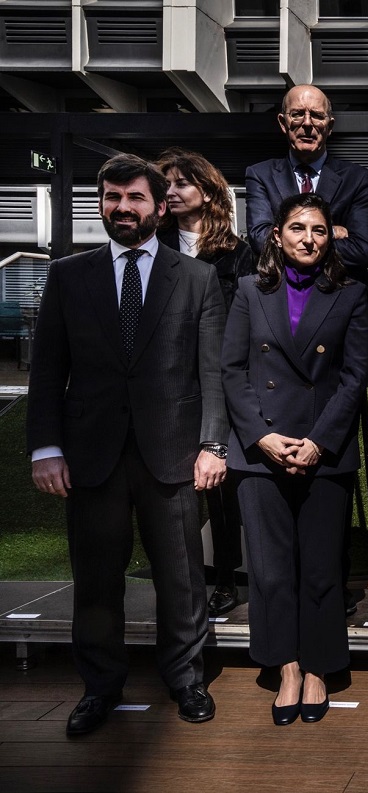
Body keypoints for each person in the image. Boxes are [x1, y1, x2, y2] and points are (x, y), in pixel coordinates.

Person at [27, 154, 228, 735]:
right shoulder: (68, 275)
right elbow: (47, 372)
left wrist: (213, 444)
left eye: (135, 197)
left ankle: (187, 678)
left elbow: (210, 371)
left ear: (159, 207)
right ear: (101, 204)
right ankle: (99, 687)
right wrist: (46, 449)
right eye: (112, 197)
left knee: (182, 576)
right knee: (95, 580)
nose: (122, 207)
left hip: (174, 451)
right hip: (91, 455)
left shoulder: (197, 278)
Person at [221, 193, 368, 726]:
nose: (309, 238)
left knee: (321, 568)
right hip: (260, 452)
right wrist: (261, 437)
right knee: (269, 570)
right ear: (277, 235)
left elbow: (355, 377)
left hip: (322, 452)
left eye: (320, 230)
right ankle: (285, 666)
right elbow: (233, 370)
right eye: (297, 228)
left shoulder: (351, 294)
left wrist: (319, 441)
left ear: (331, 239)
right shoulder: (247, 291)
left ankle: (318, 669)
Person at [156, 147, 255, 618]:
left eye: (181, 183)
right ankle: (181, 581)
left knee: (223, 489)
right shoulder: (154, 248)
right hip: (170, 383)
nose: (171, 192)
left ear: (208, 191)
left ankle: (224, 577)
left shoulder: (238, 252)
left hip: (222, 381)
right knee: (172, 488)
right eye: (167, 184)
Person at [245, 84, 368, 283]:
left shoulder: (357, 179)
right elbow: (259, 239)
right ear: (283, 123)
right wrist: (330, 231)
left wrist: (289, 239)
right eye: (298, 114)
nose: (307, 123)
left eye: (316, 115)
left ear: (329, 126)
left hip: (339, 293)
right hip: (281, 294)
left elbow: (361, 250)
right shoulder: (260, 175)